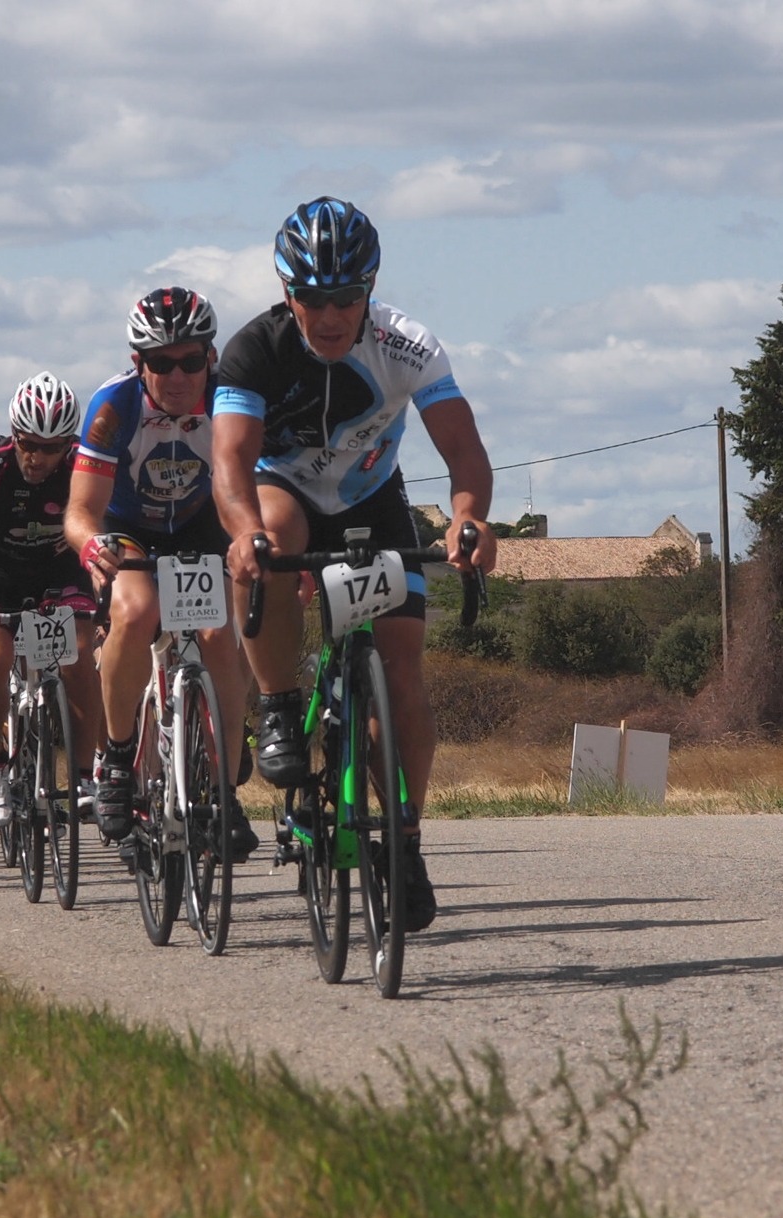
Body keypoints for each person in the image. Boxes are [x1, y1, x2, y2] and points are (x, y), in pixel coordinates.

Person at [214, 197, 498, 930]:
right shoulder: (253, 351)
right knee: (274, 534)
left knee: (401, 674)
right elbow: (231, 461)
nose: (331, 315)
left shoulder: (407, 345)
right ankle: (279, 706)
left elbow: (463, 450)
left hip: (372, 499)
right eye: (312, 299)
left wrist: (469, 519)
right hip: (283, 493)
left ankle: (404, 840)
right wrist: (244, 533)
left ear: (370, 288)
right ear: (288, 293)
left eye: (346, 297)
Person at [64, 287, 258, 858]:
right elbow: (80, 510)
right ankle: (118, 756)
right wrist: (92, 545)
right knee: (137, 611)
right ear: (138, 363)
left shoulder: (229, 399)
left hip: (202, 524)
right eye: (161, 363)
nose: (177, 377)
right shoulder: (114, 406)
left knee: (221, 633)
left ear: (211, 357)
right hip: (129, 528)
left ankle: (224, 790)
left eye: (191, 361)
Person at [0, 372, 103, 829]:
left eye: (51, 448)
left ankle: (83, 776)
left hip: (60, 569)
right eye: (29, 444)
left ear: (68, 444)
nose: (37, 457)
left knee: (80, 653)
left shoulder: (83, 466)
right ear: (14, 434)